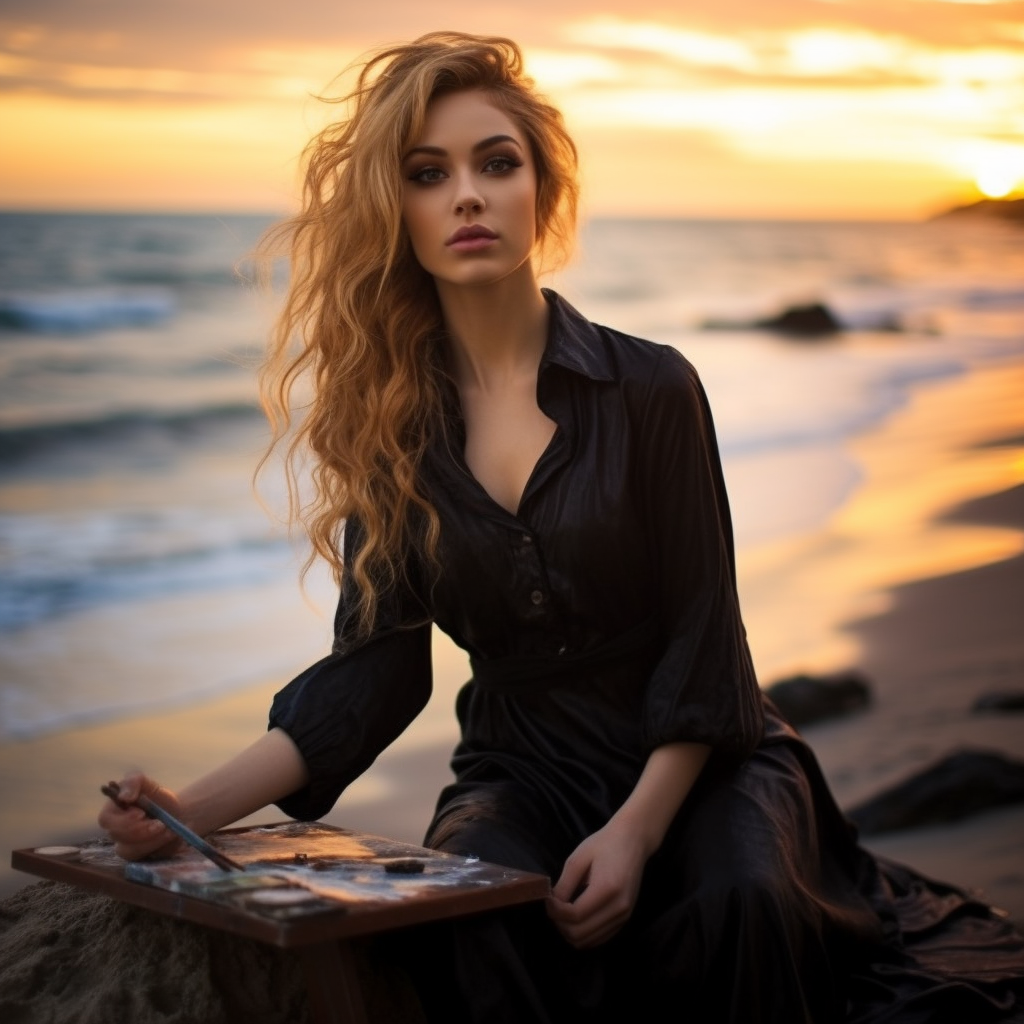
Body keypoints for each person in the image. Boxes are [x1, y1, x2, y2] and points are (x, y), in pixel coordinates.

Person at [99, 31, 1024, 1024]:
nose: (467, 193)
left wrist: (634, 830)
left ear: (541, 189)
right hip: (519, 769)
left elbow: (707, 644)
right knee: (470, 912)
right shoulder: (390, 434)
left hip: (707, 759)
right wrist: (185, 812)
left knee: (734, 902)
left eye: (497, 163)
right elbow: (374, 672)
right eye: (428, 172)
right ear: (394, 209)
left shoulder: (652, 386)